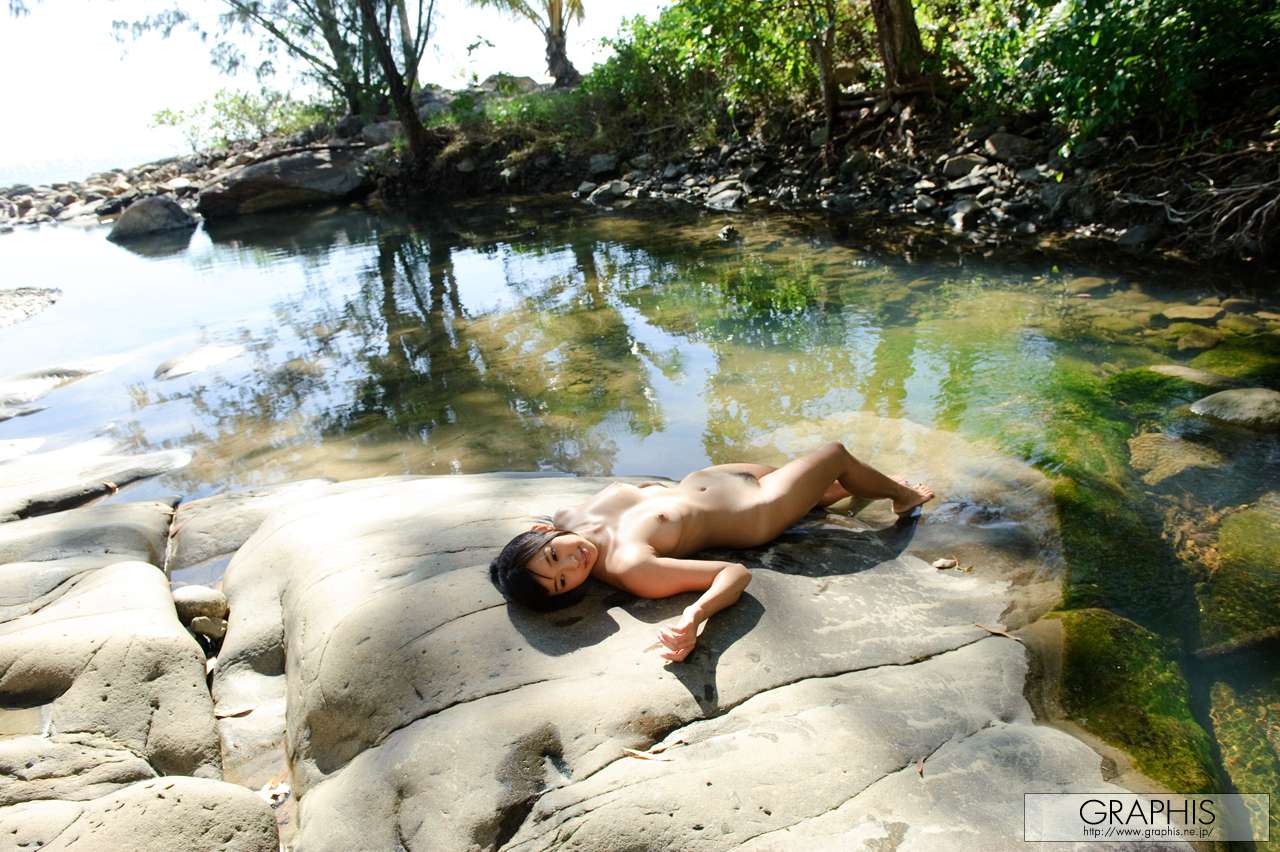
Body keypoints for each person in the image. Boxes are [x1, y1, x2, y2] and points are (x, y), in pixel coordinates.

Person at [489, 442, 934, 662]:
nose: (573, 563)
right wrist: (694, 616)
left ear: (542, 533)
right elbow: (733, 573)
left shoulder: (567, 515)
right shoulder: (630, 566)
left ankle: (842, 492)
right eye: (564, 581)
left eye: (554, 557)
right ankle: (903, 497)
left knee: (820, 488)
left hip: (713, 479)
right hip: (756, 510)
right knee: (834, 454)